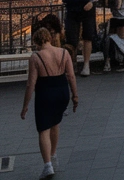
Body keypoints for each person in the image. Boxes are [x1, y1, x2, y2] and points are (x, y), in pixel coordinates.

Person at [20, 26, 78, 179]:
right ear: (50, 38)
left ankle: (47, 166)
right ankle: (53, 155)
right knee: (55, 123)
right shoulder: (64, 52)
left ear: (37, 42)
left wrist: (25, 105)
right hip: (62, 92)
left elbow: (30, 84)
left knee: (43, 129)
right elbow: (71, 76)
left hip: (45, 93)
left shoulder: (36, 57)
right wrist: (75, 96)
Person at [60, 0, 99, 77]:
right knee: (72, 40)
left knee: (88, 37)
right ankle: (73, 64)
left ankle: (86, 65)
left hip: (88, 13)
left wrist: (91, 2)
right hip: (73, 13)